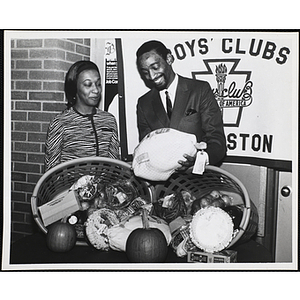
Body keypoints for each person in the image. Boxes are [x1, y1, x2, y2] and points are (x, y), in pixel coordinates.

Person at [136, 40, 226, 168]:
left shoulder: (200, 90)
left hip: (199, 181)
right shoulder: (143, 103)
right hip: (163, 184)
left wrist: (199, 160)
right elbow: (146, 148)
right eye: (145, 72)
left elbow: (217, 142)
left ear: (169, 59)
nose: (151, 76)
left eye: (155, 67)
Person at [44, 60, 120, 171]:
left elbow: (114, 165)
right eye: (88, 85)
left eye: (98, 84)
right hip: (69, 187)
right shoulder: (60, 123)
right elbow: (51, 171)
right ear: (75, 89)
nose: (96, 90)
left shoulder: (109, 120)